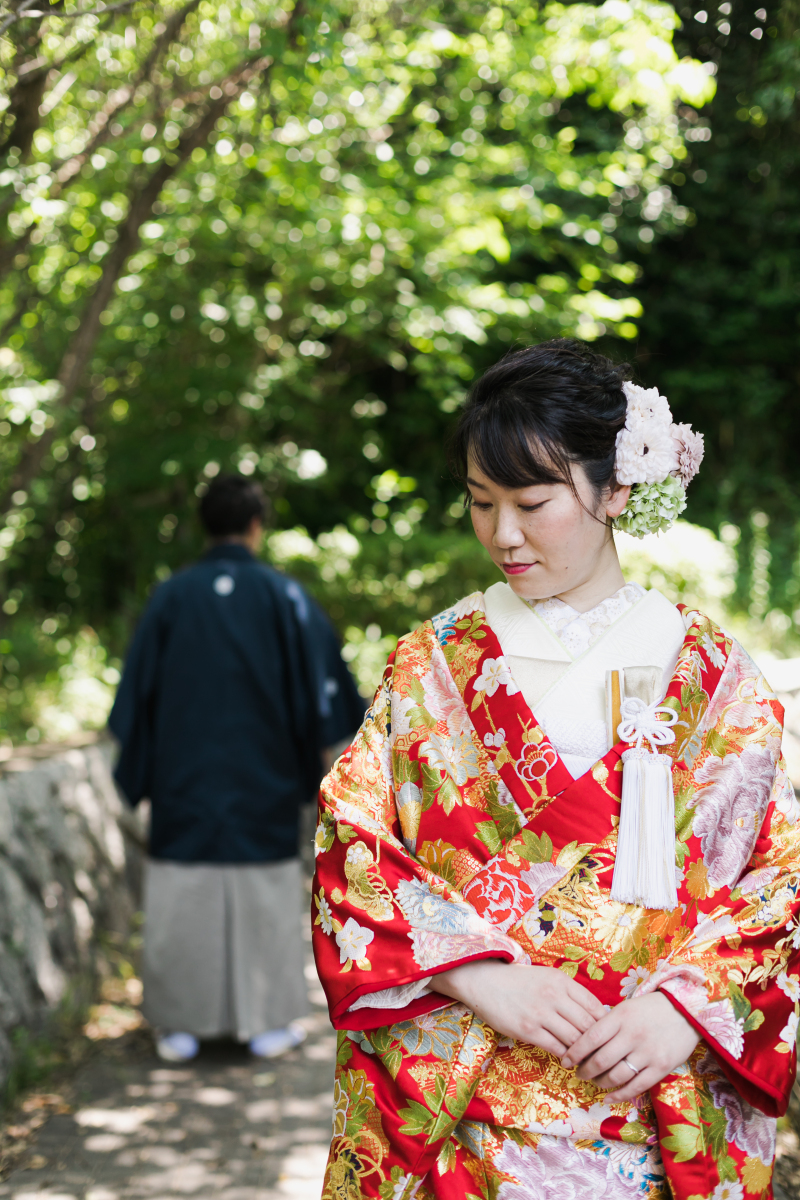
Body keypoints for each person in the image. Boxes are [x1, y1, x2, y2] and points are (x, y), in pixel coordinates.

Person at [312, 340, 800, 1199]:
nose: (503, 534)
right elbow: (351, 841)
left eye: (533, 503)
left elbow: (780, 878)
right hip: (462, 1100)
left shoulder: (710, 673)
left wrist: (684, 1009)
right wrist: (476, 974)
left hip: (648, 1100)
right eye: (480, 502)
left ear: (617, 487)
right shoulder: (431, 661)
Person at [110, 474, 364, 1063]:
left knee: (182, 896)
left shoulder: (170, 597)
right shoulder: (285, 597)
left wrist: (138, 776)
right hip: (265, 781)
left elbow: (135, 701)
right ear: (256, 526)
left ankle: (179, 1026)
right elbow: (326, 701)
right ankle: (265, 1023)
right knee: (265, 897)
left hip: (183, 783)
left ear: (205, 526)